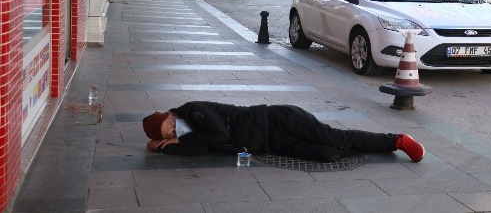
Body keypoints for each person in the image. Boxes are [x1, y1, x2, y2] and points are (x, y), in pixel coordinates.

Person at [142, 101, 425, 163]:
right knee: (326, 154)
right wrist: (169, 147)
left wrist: (180, 137)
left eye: (169, 128)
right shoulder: (187, 133)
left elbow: (217, 136)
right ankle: (375, 145)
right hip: (271, 144)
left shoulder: (194, 111)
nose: (172, 132)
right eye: (167, 134)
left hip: (278, 119)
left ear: (169, 115)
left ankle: (397, 140)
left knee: (334, 137)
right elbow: (202, 148)